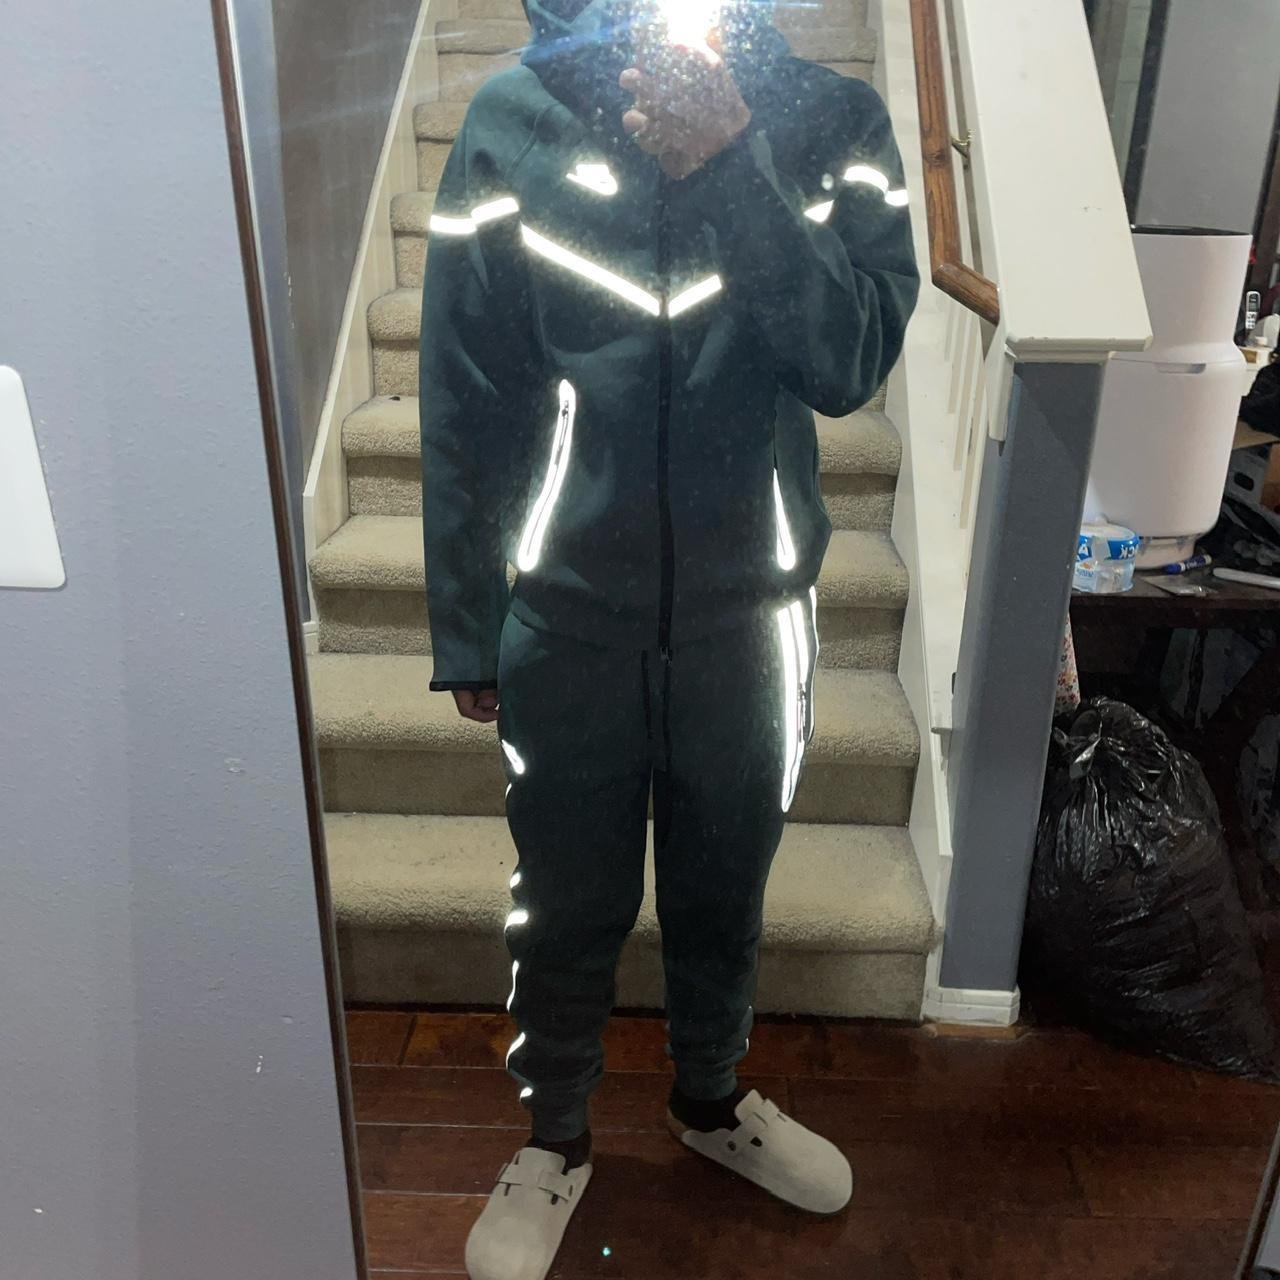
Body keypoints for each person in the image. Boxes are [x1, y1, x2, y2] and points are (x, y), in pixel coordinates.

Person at [419, 1, 919, 1275]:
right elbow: (466, 387)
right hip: (564, 605)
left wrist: (733, 159)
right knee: (561, 896)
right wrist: (467, 622)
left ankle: (708, 1096)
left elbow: (848, 360)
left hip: (750, 612)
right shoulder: (509, 121)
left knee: (723, 878)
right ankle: (553, 1137)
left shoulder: (835, 123)